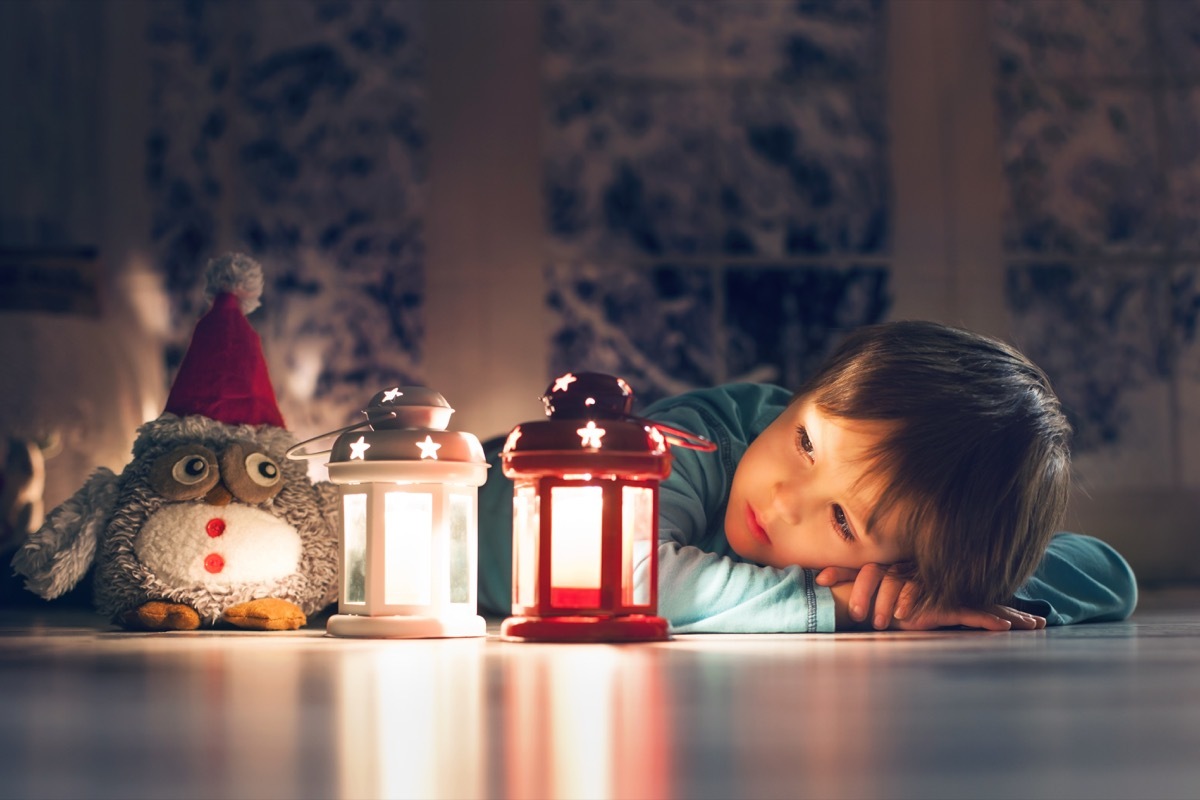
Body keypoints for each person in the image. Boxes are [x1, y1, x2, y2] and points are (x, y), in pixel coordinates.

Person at [476, 320, 1138, 633]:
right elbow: (614, 575)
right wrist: (840, 605)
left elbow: (1108, 571)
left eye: (843, 521)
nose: (786, 497)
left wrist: (935, 585)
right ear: (801, 396)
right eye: (804, 443)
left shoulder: (922, 550)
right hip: (443, 509)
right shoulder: (704, 436)